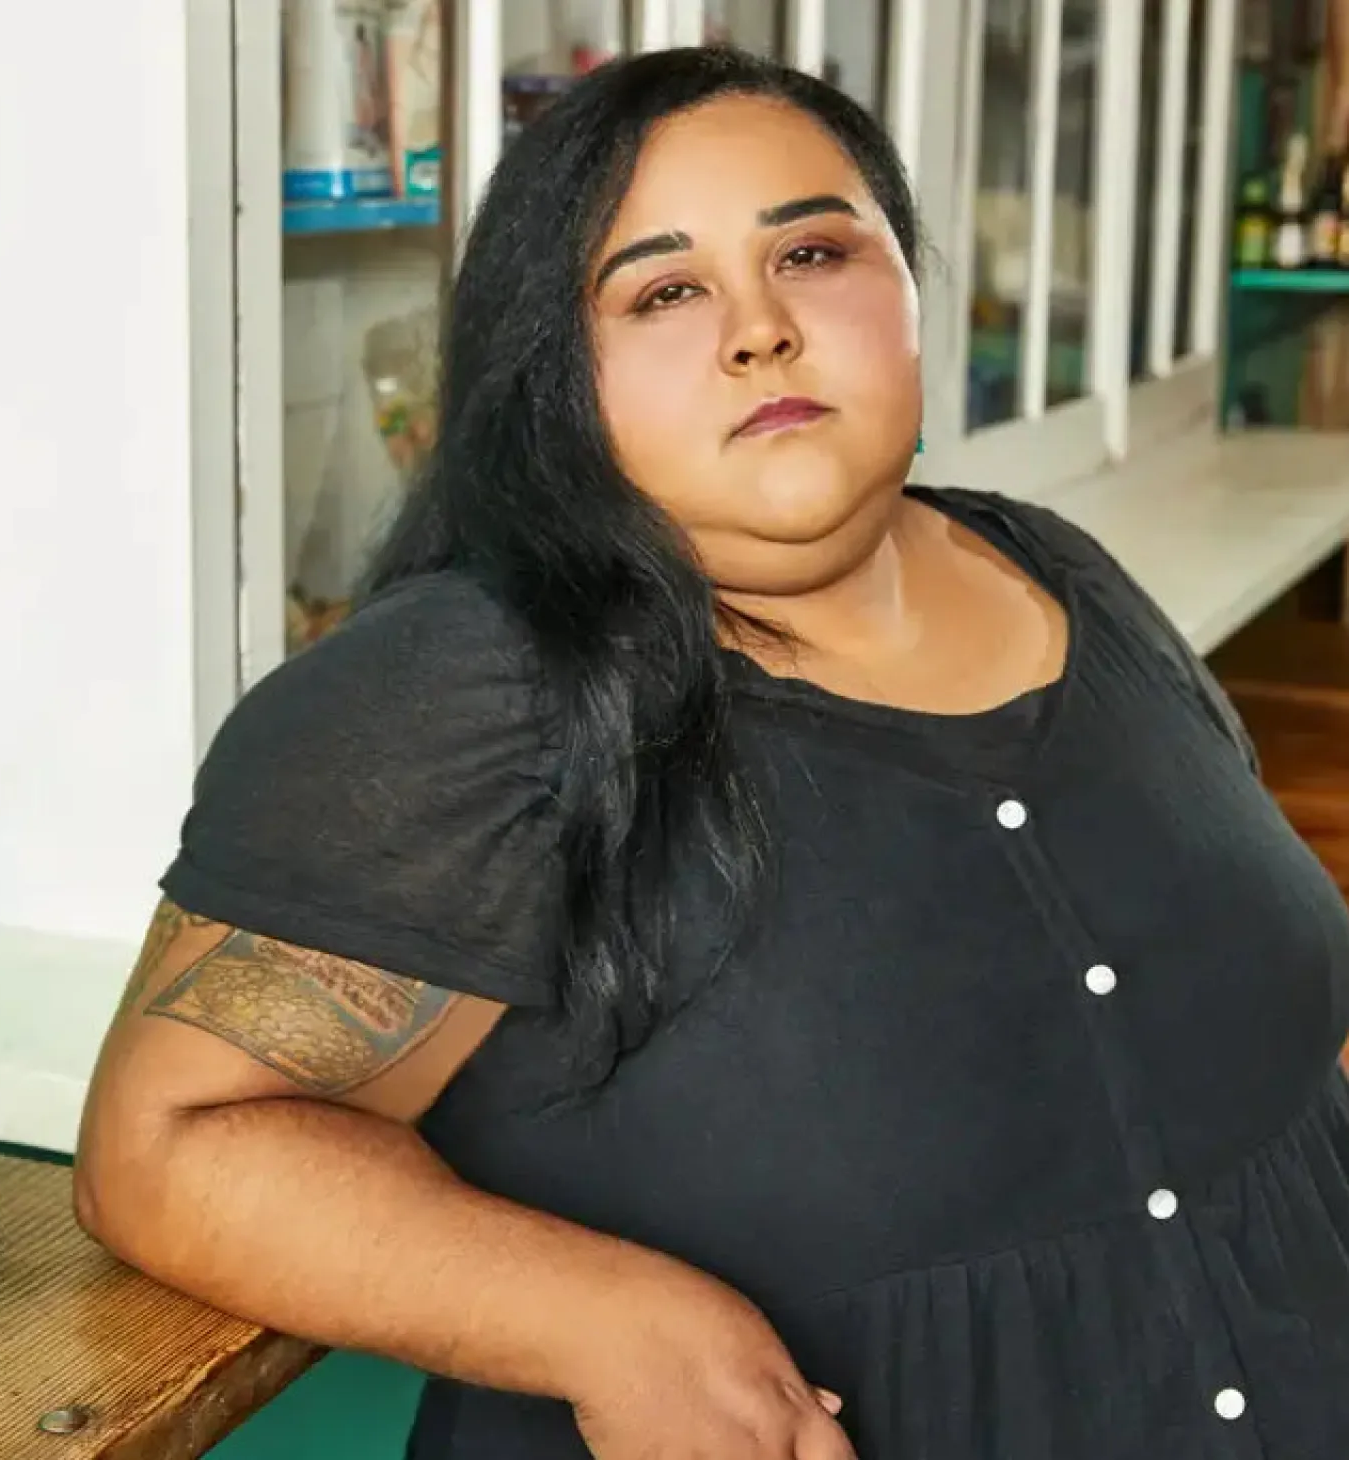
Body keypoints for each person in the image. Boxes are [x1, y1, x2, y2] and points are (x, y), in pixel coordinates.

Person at [75, 46, 1349, 1460]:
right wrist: (607, 1323)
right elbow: (166, 1147)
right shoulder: (468, 693)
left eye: (811, 252)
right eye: (665, 290)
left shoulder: (1064, 573)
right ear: (556, 374)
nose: (761, 331)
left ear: (908, 289)